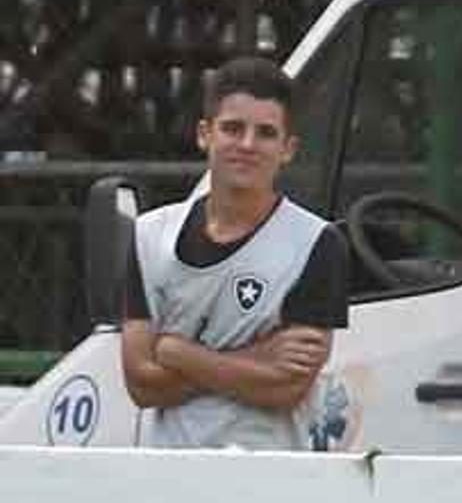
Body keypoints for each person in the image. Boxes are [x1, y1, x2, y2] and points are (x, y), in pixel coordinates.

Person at [120, 57, 348, 449]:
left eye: (265, 133)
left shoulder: (317, 242)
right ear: (204, 135)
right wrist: (258, 356)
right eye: (232, 129)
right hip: (167, 478)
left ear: (288, 148)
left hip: (269, 482)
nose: (247, 145)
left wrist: (177, 352)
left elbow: (286, 388)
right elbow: (141, 384)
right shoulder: (149, 236)